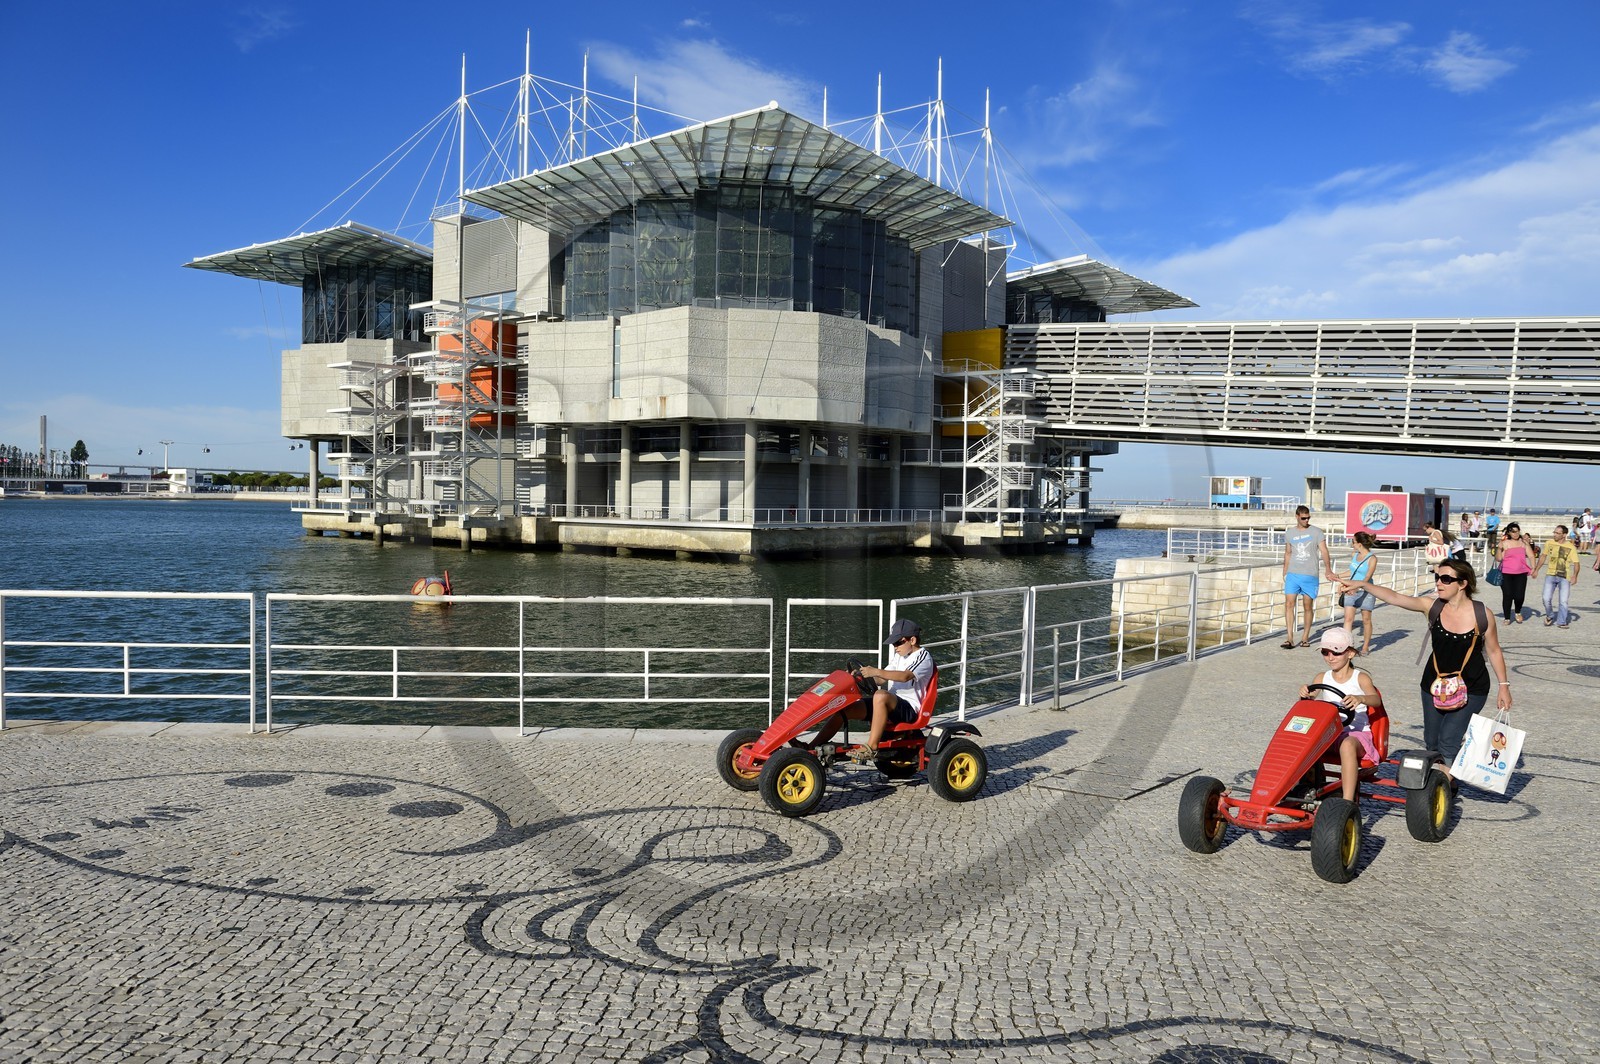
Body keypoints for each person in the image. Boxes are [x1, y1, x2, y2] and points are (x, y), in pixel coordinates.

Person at [1340, 557, 1512, 777]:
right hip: (1434, 685)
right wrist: (1364, 585)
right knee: (1432, 741)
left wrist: (1504, 686)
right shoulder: (1432, 606)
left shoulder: (1482, 614)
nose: (1439, 582)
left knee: (1448, 739)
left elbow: (1495, 650)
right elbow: (1394, 597)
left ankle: (1440, 790)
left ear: (1463, 583)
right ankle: (1443, 781)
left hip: (1472, 687)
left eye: (1446, 579)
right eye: (1437, 577)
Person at [811, 618, 935, 762]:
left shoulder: (923, 657)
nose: (895, 647)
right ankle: (811, 747)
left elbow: (904, 676)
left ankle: (871, 747)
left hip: (909, 709)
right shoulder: (899, 656)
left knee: (880, 695)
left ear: (912, 640)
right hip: (891, 704)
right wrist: (860, 676)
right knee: (845, 710)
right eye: (893, 644)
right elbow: (881, 679)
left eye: (898, 643)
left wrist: (875, 671)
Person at [1299, 628, 1382, 801]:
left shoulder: (1360, 678)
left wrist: (1361, 698)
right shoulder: (1322, 677)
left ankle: (1347, 801)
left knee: (1347, 745)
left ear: (1350, 653)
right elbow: (1309, 700)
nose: (1330, 657)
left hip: (1356, 735)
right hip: (1330, 733)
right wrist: (1304, 693)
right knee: (1301, 740)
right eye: (1325, 652)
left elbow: (1376, 700)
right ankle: (1302, 789)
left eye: (1336, 652)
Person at [1281, 505, 1334, 649]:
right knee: (1289, 604)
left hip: (1310, 574)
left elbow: (1324, 551)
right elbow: (1288, 552)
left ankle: (1305, 637)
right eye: (1303, 518)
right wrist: (1285, 570)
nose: (1306, 520)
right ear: (1297, 517)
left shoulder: (1316, 532)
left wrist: (1328, 569)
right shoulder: (1290, 533)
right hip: (1293, 574)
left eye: (1308, 518)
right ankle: (1290, 638)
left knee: (1307, 606)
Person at [1341, 531, 1379, 655]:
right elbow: (1351, 571)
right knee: (1348, 618)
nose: (1352, 544)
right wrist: (1338, 577)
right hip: (1350, 589)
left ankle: (1365, 647)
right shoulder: (1354, 555)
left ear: (1360, 543)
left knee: (1366, 619)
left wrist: (1355, 588)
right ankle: (1347, 646)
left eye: (1353, 541)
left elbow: (1367, 577)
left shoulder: (1372, 559)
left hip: (1366, 591)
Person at [1494, 522, 1537, 623]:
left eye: (1517, 531)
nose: (1516, 534)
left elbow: (1531, 556)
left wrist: (1533, 568)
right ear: (1509, 532)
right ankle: (1507, 617)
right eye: (1513, 532)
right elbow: (1499, 559)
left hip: (1521, 573)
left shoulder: (1523, 543)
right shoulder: (1505, 543)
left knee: (1519, 596)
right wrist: (1499, 548)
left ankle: (1517, 611)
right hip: (1506, 573)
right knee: (1508, 595)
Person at [1538, 525, 1580, 628]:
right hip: (1550, 574)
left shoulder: (1571, 547)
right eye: (1554, 532)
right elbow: (1543, 556)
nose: (1554, 535)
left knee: (1563, 601)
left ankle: (1561, 622)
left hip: (1564, 576)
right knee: (1545, 598)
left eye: (1557, 533)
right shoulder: (1549, 543)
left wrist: (1575, 575)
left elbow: (1576, 563)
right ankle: (1550, 615)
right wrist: (1536, 569)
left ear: (1564, 535)